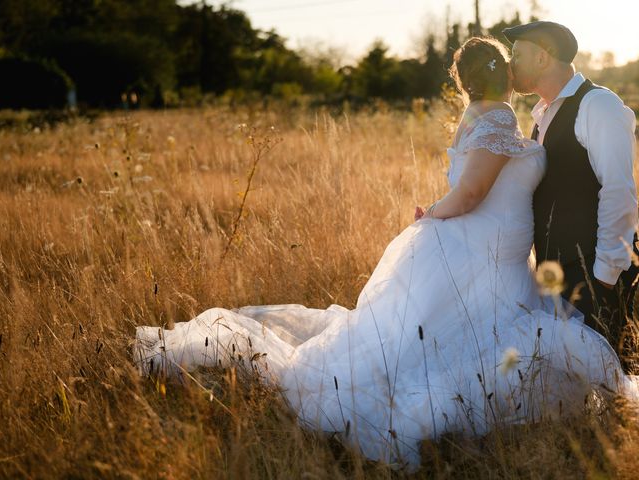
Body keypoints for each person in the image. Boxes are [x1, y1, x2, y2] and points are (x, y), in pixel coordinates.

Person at [134, 37, 636, 470]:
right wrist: (433, 214)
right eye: (510, 62)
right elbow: (472, 192)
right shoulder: (502, 114)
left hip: (491, 252)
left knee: (446, 337)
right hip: (484, 252)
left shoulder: (482, 114)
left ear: (463, 83)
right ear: (501, 73)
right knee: (460, 339)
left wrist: (435, 212)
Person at [502, 21, 639, 368]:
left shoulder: (598, 105)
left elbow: (619, 190)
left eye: (517, 55)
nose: (510, 64)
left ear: (543, 58)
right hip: (559, 277)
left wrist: (604, 277)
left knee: (614, 382)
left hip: (595, 276)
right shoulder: (542, 115)